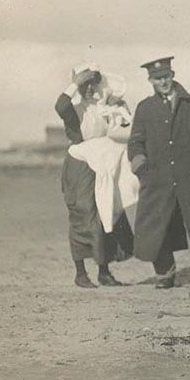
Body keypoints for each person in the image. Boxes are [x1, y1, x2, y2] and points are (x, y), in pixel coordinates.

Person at [128, 56, 190, 289]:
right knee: (155, 226)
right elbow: (135, 143)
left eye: (166, 76)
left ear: (173, 75)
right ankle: (164, 274)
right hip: (157, 179)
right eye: (157, 78)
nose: (163, 82)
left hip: (188, 178)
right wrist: (143, 170)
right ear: (150, 81)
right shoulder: (145, 108)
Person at [55, 63, 132, 288]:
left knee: (105, 212)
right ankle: (80, 272)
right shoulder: (74, 107)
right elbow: (60, 105)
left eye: (92, 83)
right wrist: (76, 83)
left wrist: (118, 108)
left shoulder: (102, 105)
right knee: (82, 214)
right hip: (80, 165)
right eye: (84, 84)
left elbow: (122, 125)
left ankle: (104, 271)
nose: (89, 88)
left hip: (104, 163)